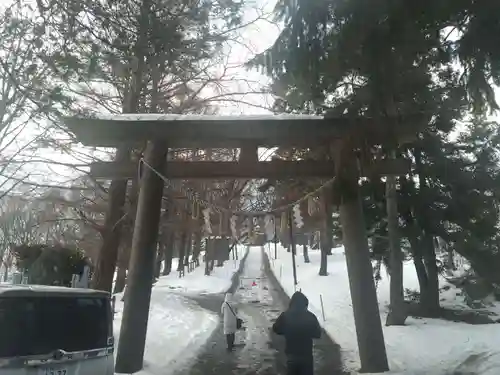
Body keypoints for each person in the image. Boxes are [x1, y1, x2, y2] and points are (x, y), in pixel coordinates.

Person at [272, 291, 322, 375]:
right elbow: (318, 334)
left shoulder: (285, 316)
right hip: (307, 356)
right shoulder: (310, 316)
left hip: (291, 356)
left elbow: (276, 329)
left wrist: (286, 330)